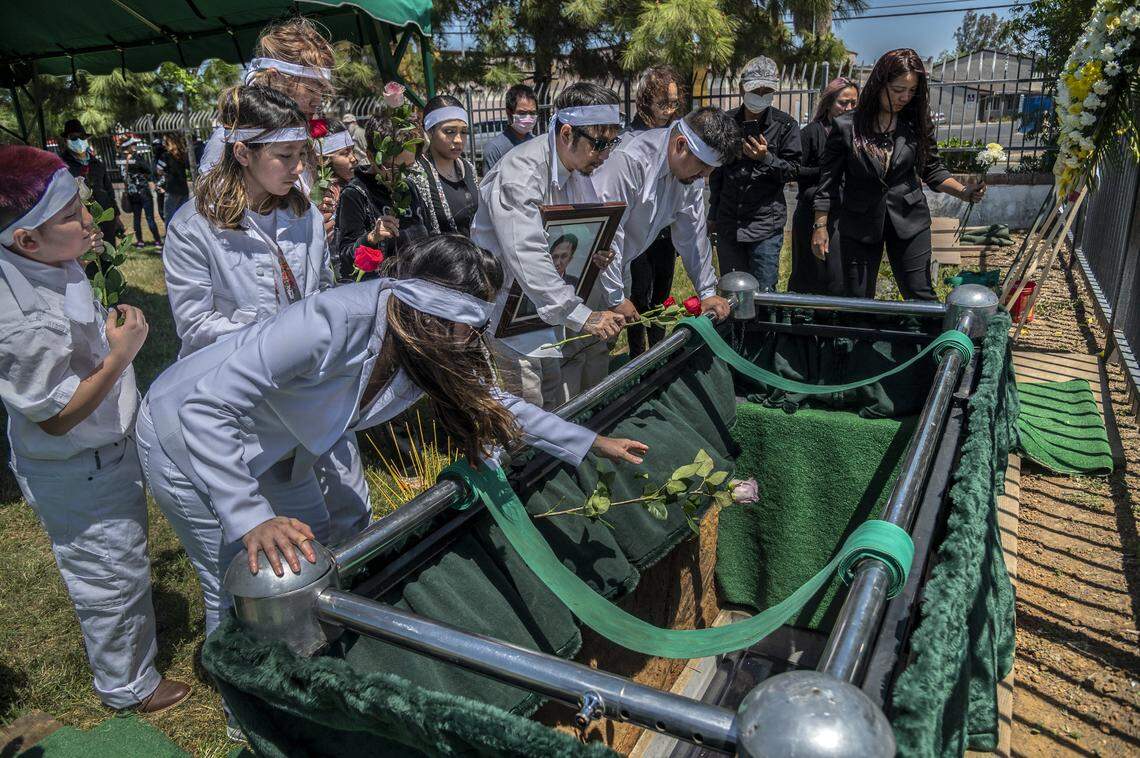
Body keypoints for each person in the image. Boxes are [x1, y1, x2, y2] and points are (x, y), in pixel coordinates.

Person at [134, 233, 648, 642]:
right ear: (427, 309)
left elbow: (492, 400)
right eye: (467, 325)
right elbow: (209, 405)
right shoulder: (330, 321)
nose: (473, 339)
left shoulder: (427, 337)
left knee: (312, 557)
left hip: (278, 448)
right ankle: (242, 707)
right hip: (188, 433)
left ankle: (303, 660)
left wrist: (587, 441)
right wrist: (250, 518)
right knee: (244, 577)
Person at [0, 145, 191, 714]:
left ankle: (128, 668)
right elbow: (55, 416)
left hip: (101, 453)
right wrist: (120, 355)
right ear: (25, 240)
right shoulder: (19, 317)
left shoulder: (49, 263)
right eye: (71, 216)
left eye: (82, 206)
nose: (89, 220)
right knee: (108, 576)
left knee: (121, 561)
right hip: (78, 465)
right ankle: (128, 686)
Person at [163, 86, 368, 550]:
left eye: (302, 154)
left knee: (352, 509)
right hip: (248, 401)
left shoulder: (305, 214)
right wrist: (278, 333)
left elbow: (319, 290)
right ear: (242, 152)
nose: (299, 168)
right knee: (289, 530)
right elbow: (196, 327)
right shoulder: (195, 227)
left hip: (316, 382)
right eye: (285, 156)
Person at [471, 82, 626, 409]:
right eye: (599, 144)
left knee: (552, 391)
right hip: (507, 307)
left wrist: (591, 254)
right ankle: (520, 462)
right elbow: (527, 255)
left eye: (612, 143)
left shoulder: (575, 170)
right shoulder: (522, 173)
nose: (605, 156)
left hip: (541, 306)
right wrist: (581, 315)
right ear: (567, 134)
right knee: (526, 402)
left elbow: (575, 230)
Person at [813, 49, 987, 300]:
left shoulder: (917, 123)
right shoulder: (845, 127)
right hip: (859, 224)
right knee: (858, 300)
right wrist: (820, 226)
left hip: (910, 220)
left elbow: (932, 169)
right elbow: (827, 183)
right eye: (897, 90)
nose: (905, 97)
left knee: (920, 294)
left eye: (912, 90)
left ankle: (925, 339)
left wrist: (963, 191)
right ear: (879, 83)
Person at [590, 107, 735, 395]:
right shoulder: (631, 160)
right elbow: (608, 234)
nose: (704, 177)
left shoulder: (688, 176)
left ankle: (590, 418)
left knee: (596, 354)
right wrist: (615, 296)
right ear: (681, 145)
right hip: (589, 269)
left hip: (619, 267)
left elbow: (693, 234)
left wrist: (706, 291)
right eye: (703, 167)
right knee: (576, 352)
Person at [198, 17, 336, 181]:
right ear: (274, 77)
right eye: (311, 88)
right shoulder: (229, 140)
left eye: (322, 89)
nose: (318, 101)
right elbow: (210, 203)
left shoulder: (299, 137)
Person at [709, 56, 801, 292]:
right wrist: (712, 215)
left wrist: (765, 158)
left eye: (766, 90)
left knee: (764, 292)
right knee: (732, 290)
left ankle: (764, 331)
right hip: (729, 223)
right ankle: (735, 331)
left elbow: (792, 170)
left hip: (764, 228)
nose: (760, 95)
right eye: (755, 90)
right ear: (742, 89)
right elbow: (716, 174)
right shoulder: (726, 122)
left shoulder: (786, 125)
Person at [625, 65, 685, 357]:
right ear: (645, 101)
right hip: (637, 234)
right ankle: (637, 355)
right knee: (638, 296)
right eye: (663, 104)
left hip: (664, 233)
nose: (669, 110)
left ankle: (658, 351)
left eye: (674, 104)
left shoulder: (676, 133)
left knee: (661, 296)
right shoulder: (630, 138)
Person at [334, 113, 427, 280]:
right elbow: (347, 260)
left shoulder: (409, 188)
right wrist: (371, 238)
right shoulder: (355, 194)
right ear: (371, 156)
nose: (399, 176)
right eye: (392, 167)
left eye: (409, 167)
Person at [788, 78, 858, 295]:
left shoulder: (859, 135)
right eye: (843, 103)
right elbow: (794, 170)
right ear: (828, 103)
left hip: (845, 214)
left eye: (853, 103)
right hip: (811, 213)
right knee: (809, 275)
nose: (848, 109)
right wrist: (828, 171)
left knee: (840, 277)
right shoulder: (810, 133)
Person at [407, 96, 479, 237]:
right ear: (429, 131)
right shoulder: (417, 174)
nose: (458, 140)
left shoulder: (468, 167)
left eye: (463, 132)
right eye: (449, 131)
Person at [60, 118, 121, 245]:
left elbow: (109, 191)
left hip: (105, 218)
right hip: (82, 223)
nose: (79, 141)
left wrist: (116, 217)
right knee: (90, 260)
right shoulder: (62, 166)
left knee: (109, 258)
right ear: (66, 141)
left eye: (82, 137)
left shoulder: (97, 163)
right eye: (73, 138)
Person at [312, 117, 359, 241]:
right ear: (324, 160)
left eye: (352, 150)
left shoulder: (353, 185)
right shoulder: (323, 195)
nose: (353, 158)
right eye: (345, 153)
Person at [481, 83, 539, 173]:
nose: (528, 118)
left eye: (532, 113)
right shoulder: (495, 148)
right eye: (522, 113)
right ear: (509, 113)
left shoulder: (537, 144)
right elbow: (490, 185)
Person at [122, 141, 162, 249]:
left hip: (132, 193)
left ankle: (140, 242)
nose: (135, 146)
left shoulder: (123, 160)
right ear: (130, 147)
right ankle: (158, 241)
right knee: (150, 218)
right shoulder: (137, 158)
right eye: (133, 145)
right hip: (143, 191)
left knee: (136, 218)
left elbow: (123, 176)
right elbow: (149, 170)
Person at [157, 133, 190, 224]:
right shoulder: (182, 155)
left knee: (169, 216)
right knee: (183, 217)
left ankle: (170, 237)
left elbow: (159, 170)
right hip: (183, 188)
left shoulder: (166, 156)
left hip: (171, 189)